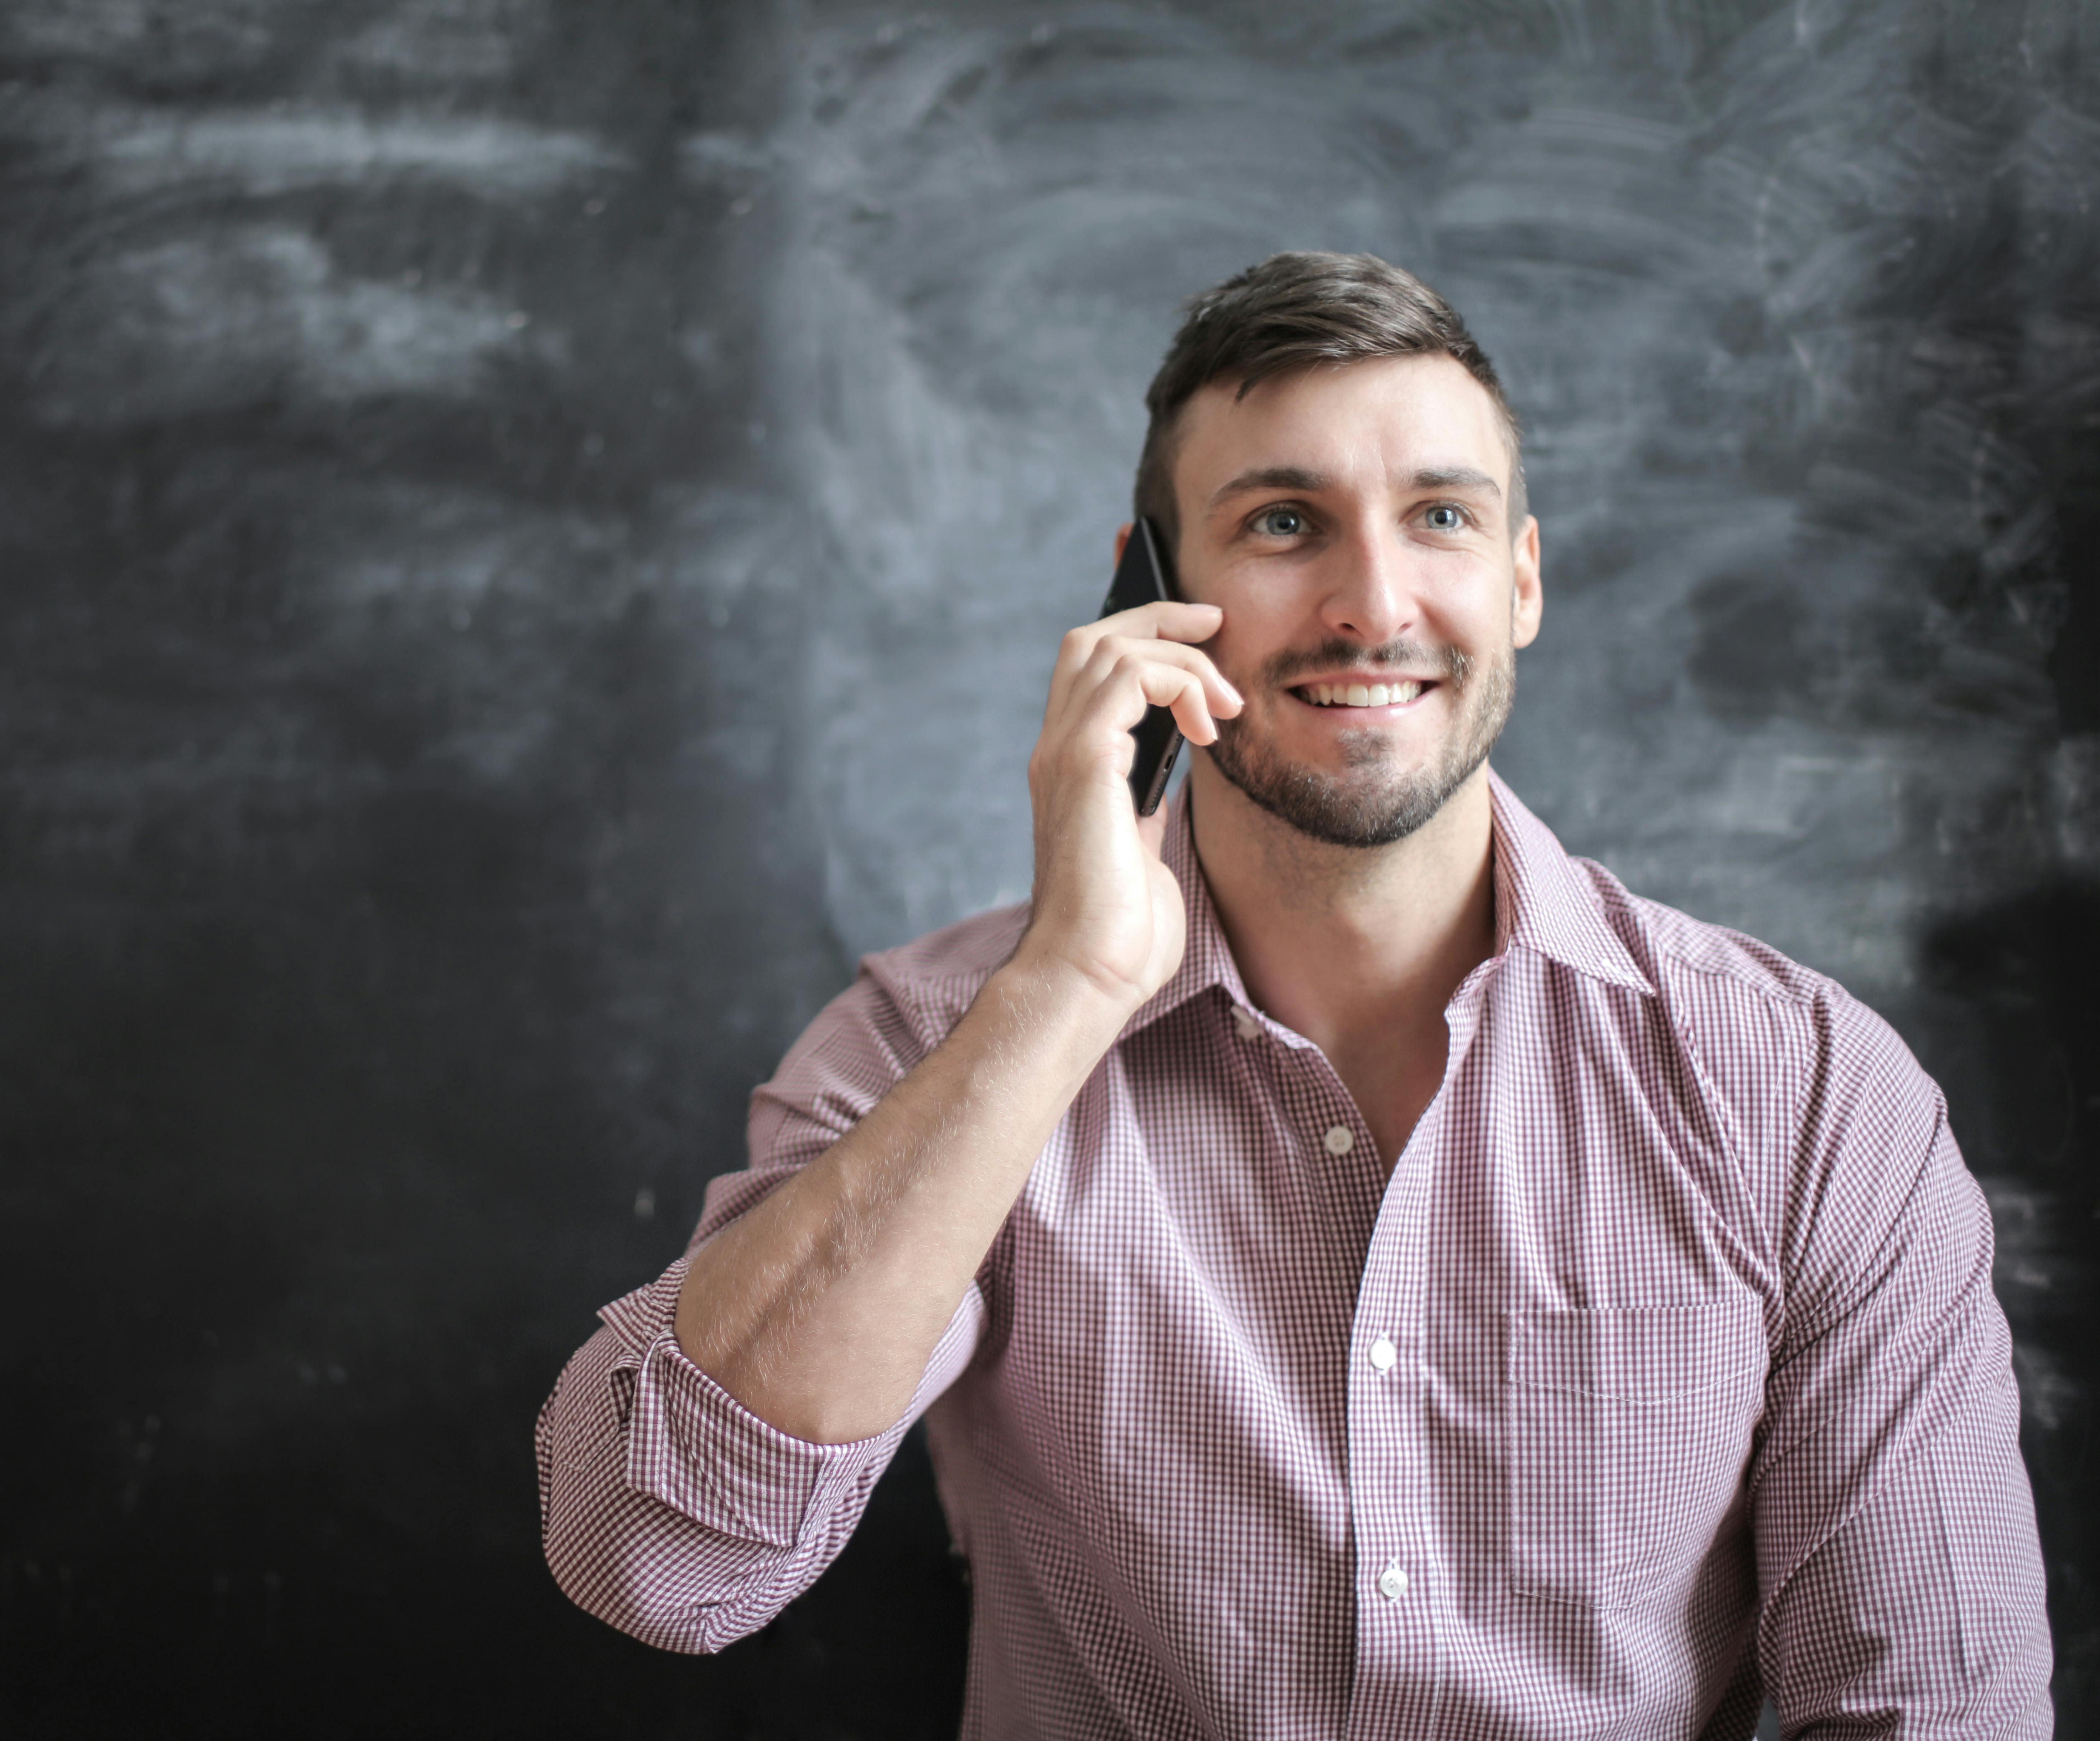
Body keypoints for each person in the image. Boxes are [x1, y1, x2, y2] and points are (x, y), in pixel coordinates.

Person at [534, 252, 2052, 1737]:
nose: (1370, 605)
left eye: (1442, 518)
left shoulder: (1804, 1092)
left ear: (1521, 580)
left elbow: (1932, 1710)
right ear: (1153, 589)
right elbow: (664, 1566)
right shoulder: (939, 1048)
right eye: (1282, 523)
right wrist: (1065, 987)